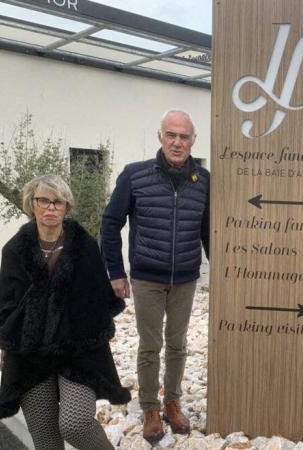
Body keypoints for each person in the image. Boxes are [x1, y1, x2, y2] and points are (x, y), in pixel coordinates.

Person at [0, 174, 130, 450]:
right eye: (43, 201)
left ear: (66, 207)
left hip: (76, 350)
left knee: (76, 423)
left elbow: (98, 300)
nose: (51, 208)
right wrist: (13, 347)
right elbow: (5, 307)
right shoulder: (14, 250)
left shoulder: (84, 247)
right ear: (32, 204)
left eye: (58, 202)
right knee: (45, 435)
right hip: (31, 354)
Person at [101, 109, 210, 444]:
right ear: (160, 137)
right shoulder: (135, 176)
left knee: (177, 344)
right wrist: (116, 273)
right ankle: (150, 407)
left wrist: (223, 271)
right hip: (147, 278)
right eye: (171, 135)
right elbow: (110, 224)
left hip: (186, 279)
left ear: (193, 140)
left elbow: (208, 231)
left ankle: (172, 402)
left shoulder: (204, 181)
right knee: (151, 345)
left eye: (184, 136)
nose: (178, 142)